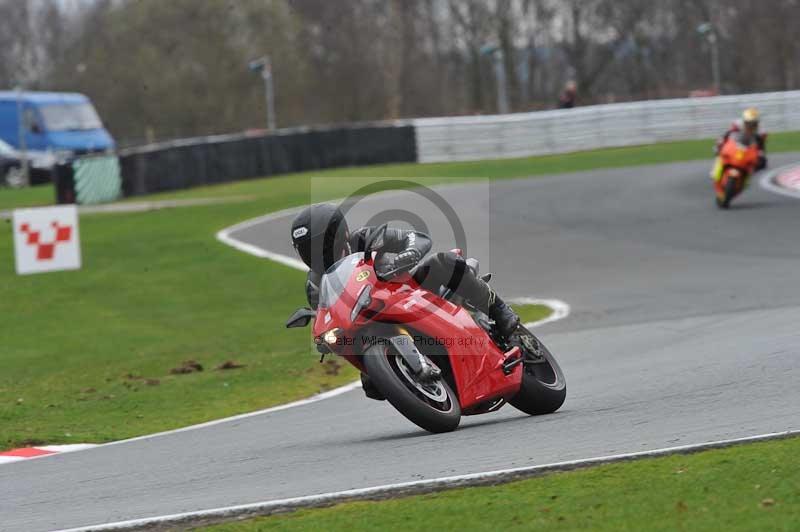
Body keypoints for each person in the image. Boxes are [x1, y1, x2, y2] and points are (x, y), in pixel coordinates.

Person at [290, 203, 521, 399]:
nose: (314, 253)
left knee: (445, 261)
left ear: (338, 234)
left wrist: (410, 253)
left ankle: (500, 310)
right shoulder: (315, 285)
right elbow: (328, 316)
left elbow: (417, 238)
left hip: (411, 291)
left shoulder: (366, 237)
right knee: (372, 386)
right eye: (306, 248)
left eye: (318, 244)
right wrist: (323, 338)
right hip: (370, 324)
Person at [711, 107, 768, 182]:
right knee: (721, 154)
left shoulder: (760, 132)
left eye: (753, 123)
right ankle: (716, 172)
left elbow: (761, 147)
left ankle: (745, 178)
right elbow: (727, 135)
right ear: (744, 121)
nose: (750, 125)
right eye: (748, 123)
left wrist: (761, 157)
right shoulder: (738, 124)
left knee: (759, 163)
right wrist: (719, 144)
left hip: (749, 150)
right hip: (735, 145)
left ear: (757, 122)